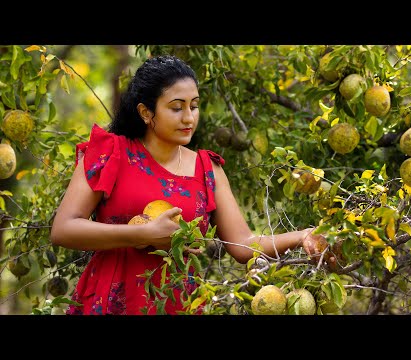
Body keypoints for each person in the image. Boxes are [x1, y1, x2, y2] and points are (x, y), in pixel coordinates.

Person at [50, 54, 325, 315]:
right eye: (176, 107)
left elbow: (243, 244)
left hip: (180, 301)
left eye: (194, 106)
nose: (189, 118)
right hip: (111, 299)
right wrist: (143, 234)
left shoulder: (208, 169)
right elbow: (64, 228)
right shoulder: (111, 153)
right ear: (146, 112)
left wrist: (302, 235)